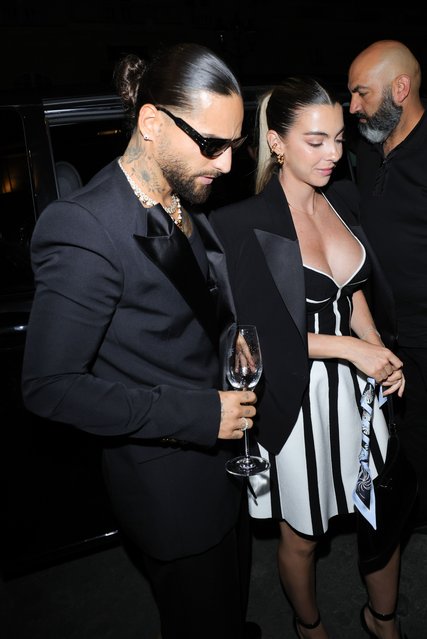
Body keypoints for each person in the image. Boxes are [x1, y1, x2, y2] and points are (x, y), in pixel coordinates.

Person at [21, 43, 261, 639]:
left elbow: (198, 300)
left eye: (234, 146)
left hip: (224, 469)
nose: (228, 165)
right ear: (151, 123)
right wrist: (203, 413)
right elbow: (50, 389)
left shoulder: (180, 193)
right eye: (213, 144)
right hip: (170, 488)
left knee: (231, 609)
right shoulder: (84, 228)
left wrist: (230, 337)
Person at [211, 77, 407, 639]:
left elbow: (355, 290)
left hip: (360, 394)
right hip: (298, 401)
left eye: (341, 140)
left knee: (382, 516)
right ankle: (309, 626)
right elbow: (252, 341)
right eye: (316, 142)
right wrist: (350, 349)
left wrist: (375, 347)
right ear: (276, 142)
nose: (333, 155)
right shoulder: (242, 224)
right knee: (304, 535)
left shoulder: (342, 198)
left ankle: (385, 622)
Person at [348, 39, 427, 528]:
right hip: (384, 337)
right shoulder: (366, 149)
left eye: (361, 94)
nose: (352, 106)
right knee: (404, 452)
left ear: (401, 88)